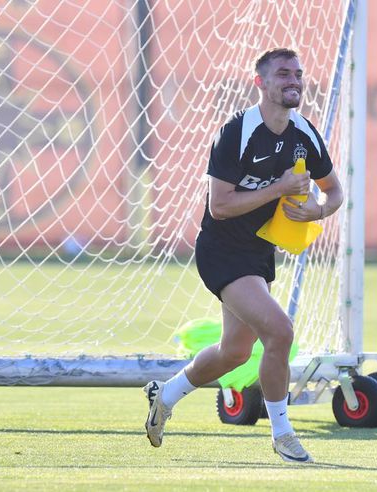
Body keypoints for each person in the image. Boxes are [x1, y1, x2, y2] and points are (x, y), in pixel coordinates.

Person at [143, 48, 344, 463]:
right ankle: (282, 432)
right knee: (280, 331)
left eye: (298, 75)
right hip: (220, 249)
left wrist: (318, 209)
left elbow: (335, 190)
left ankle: (166, 394)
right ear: (261, 82)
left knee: (234, 351)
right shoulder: (237, 131)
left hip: (258, 251)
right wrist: (282, 187)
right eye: (283, 74)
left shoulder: (304, 132)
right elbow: (219, 205)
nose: (294, 81)